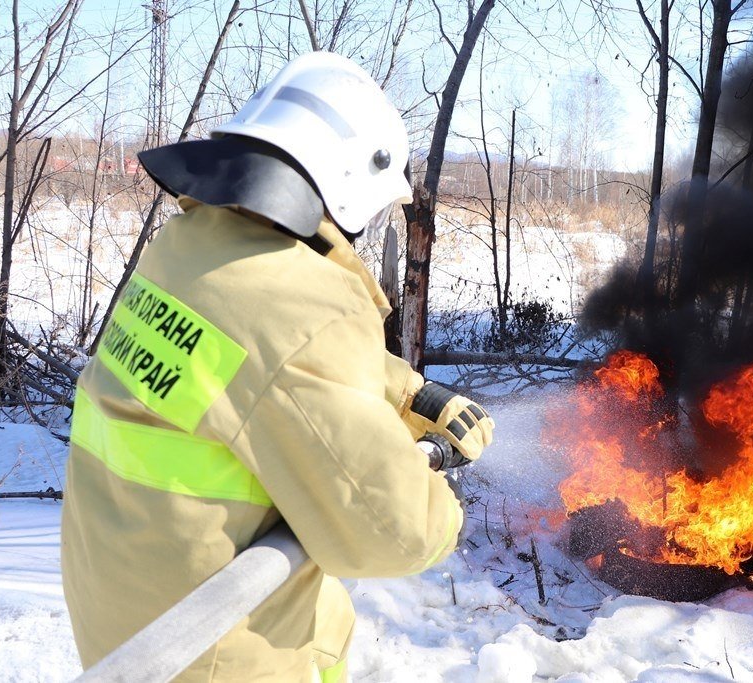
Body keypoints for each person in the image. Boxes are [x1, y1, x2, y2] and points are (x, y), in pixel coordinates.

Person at [61, 51, 493, 682]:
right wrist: (437, 494)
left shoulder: (188, 249)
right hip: (214, 649)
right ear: (348, 180)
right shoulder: (305, 304)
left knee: (326, 622)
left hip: (126, 609)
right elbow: (393, 533)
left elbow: (261, 362)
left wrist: (409, 396)